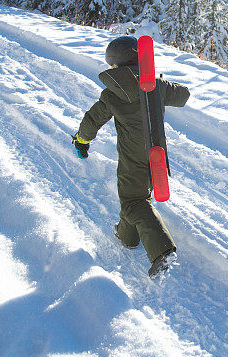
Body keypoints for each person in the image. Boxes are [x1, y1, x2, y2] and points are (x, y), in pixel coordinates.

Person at [74, 36, 190, 278]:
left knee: (133, 200)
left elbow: (92, 120)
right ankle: (127, 236)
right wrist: (159, 82)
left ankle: (162, 252)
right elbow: (184, 95)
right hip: (157, 152)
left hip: (133, 155)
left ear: (114, 65)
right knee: (135, 195)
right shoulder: (157, 86)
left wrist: (82, 140)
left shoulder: (112, 94)